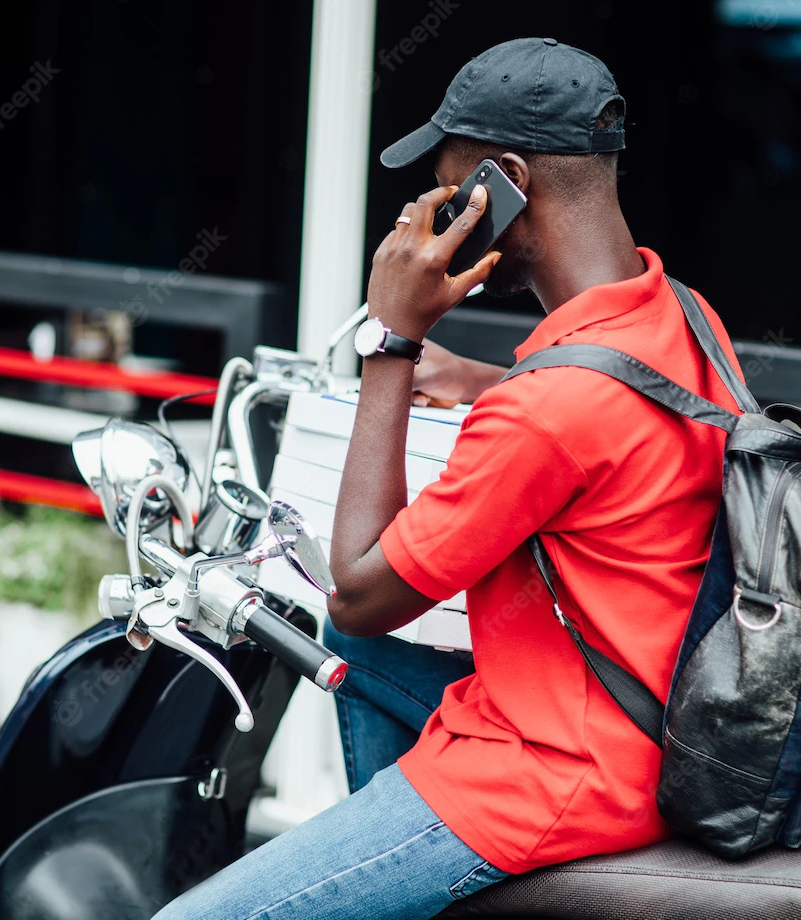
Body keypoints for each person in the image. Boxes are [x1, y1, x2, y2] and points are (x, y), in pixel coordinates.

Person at [151, 37, 750, 920]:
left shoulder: (548, 409)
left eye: (450, 186)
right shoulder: (685, 318)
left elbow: (357, 587)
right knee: (355, 653)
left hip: (553, 772)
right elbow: (612, 421)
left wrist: (389, 343)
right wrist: (483, 379)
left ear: (505, 183)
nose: (430, 210)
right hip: (658, 723)